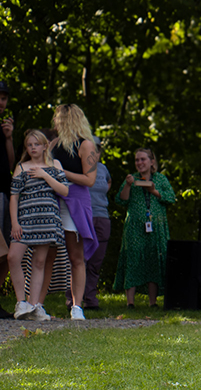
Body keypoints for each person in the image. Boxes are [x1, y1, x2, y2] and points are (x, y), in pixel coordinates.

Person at [9, 130, 70, 321]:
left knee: (40, 262)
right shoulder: (21, 167)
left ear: (45, 146)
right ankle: (21, 303)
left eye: (37, 144)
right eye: (29, 145)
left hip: (47, 220)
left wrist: (45, 175)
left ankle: (35, 306)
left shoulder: (55, 165)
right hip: (25, 220)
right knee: (13, 257)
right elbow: (14, 197)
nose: (33, 148)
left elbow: (65, 190)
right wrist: (15, 223)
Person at [49, 104, 99, 321]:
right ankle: (36, 304)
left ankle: (77, 306)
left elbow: (90, 180)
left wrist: (61, 173)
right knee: (48, 253)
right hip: (52, 201)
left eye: (60, 118)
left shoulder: (87, 145)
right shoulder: (52, 144)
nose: (57, 121)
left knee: (75, 256)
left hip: (75, 203)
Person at [113, 148, 176, 308]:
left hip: (156, 227)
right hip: (134, 227)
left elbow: (171, 198)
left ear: (152, 162)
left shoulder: (160, 179)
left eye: (143, 159)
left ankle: (152, 302)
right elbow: (121, 200)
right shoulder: (131, 179)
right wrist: (127, 185)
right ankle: (130, 302)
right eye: (137, 160)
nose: (140, 163)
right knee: (133, 259)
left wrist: (153, 191)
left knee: (153, 259)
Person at [81, 137, 111, 309]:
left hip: (102, 217)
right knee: (80, 260)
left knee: (95, 262)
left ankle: (90, 299)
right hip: (85, 216)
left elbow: (109, 181)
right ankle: (73, 299)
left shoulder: (104, 169)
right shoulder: (80, 167)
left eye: (97, 150)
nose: (94, 153)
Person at [0, 81, 15, 318]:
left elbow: (10, 165)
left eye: (4, 98)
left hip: (4, 193)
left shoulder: (4, 127)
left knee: (7, 251)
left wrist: (9, 138)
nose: (1, 103)